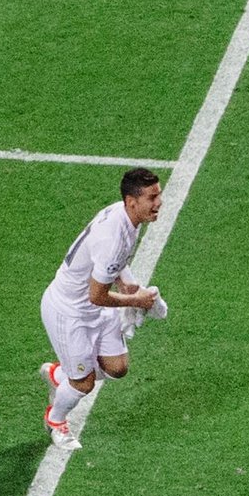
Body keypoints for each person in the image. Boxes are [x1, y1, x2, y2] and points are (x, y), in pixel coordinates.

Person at [38, 168, 167, 448]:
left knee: (117, 368)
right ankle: (55, 418)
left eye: (159, 194)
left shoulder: (126, 217)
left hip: (93, 307)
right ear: (132, 201)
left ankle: (58, 375)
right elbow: (97, 295)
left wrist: (130, 285)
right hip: (69, 312)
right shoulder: (114, 236)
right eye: (153, 197)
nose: (159, 203)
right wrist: (137, 300)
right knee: (83, 384)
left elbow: (114, 264)